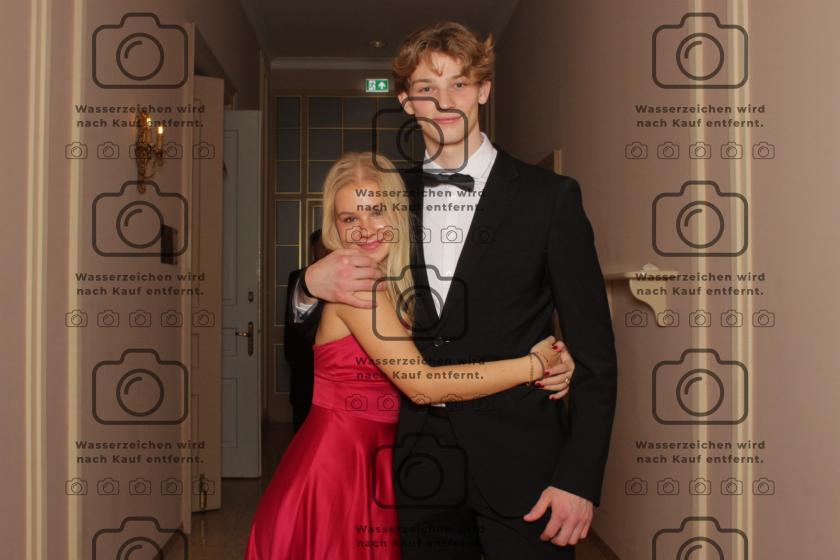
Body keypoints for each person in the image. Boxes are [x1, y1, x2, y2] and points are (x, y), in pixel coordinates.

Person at [292, 21, 617, 559]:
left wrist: (579, 479)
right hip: (419, 469)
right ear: (406, 101)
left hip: (527, 467)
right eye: (427, 87)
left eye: (459, 84)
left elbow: (597, 356)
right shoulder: (388, 198)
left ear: (483, 90)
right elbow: (323, 314)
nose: (444, 102)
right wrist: (306, 284)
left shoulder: (550, 198)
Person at [244, 152, 573, 560]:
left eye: (376, 211)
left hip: (381, 458)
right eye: (349, 218)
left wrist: (554, 354)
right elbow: (423, 387)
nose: (365, 229)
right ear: (335, 227)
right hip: (338, 467)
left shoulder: (398, 283)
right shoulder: (358, 290)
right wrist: (533, 366)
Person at [284, 229, 330, 431]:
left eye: (329, 247)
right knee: (302, 415)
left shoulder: (343, 279)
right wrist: (291, 357)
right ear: (313, 249)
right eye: (321, 247)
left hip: (330, 360)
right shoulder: (298, 277)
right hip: (303, 360)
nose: (325, 251)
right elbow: (290, 322)